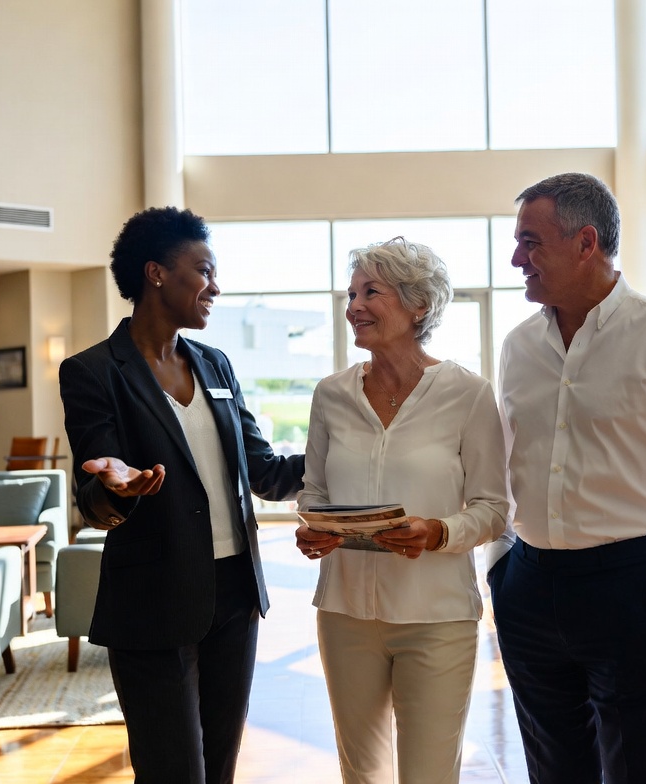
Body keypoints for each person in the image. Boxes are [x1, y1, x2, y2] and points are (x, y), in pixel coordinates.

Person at [489, 173, 646, 783]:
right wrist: (501, 568)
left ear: (585, 242)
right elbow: (503, 464)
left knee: (640, 770)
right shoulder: (518, 346)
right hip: (528, 586)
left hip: (631, 588)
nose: (517, 258)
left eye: (530, 241)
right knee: (553, 768)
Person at [59, 206, 305, 784]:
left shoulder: (216, 365)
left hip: (234, 596)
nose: (215, 287)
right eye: (204, 271)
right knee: (173, 771)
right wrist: (113, 485)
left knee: (218, 766)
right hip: (153, 601)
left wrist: (335, 455)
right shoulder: (94, 371)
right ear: (157, 274)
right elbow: (94, 495)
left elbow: (263, 471)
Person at [294, 237, 508, 784]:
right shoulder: (330, 395)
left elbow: (494, 508)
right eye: (351, 294)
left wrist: (438, 531)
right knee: (361, 773)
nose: (354, 307)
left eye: (371, 293)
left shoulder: (469, 393)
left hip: (436, 618)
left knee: (429, 775)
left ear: (418, 306)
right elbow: (313, 492)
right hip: (344, 614)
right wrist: (314, 528)